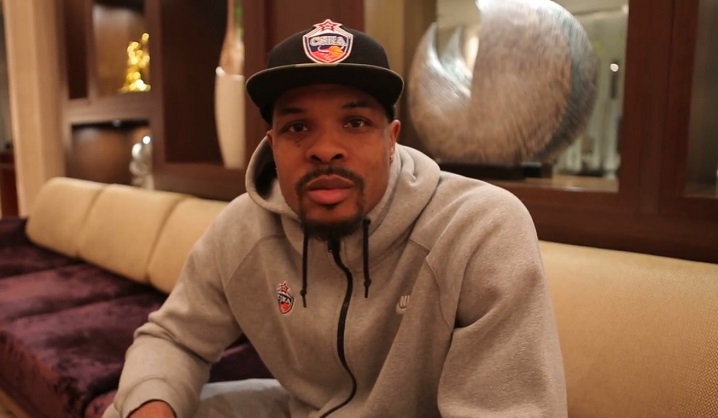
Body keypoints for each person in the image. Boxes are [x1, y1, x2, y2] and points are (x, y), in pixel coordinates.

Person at [104, 19, 567, 418]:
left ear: (391, 139)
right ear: (272, 145)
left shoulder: (479, 228)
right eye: (298, 127)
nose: (325, 149)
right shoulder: (241, 229)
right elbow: (174, 339)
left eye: (355, 123)